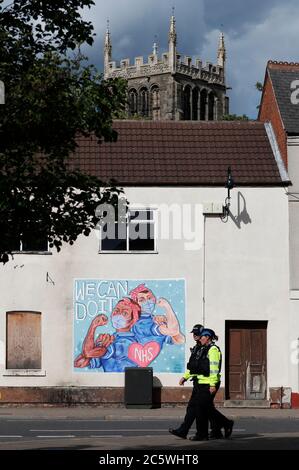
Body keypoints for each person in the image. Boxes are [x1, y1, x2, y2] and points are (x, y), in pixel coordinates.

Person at [169, 326, 234, 440]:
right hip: (200, 382)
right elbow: (195, 366)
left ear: (207, 337)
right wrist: (185, 377)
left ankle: (203, 433)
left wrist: (213, 384)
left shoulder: (213, 349)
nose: (199, 338)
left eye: (201, 336)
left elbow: (214, 368)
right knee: (198, 408)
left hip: (208, 384)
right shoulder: (201, 348)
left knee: (201, 409)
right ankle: (220, 427)